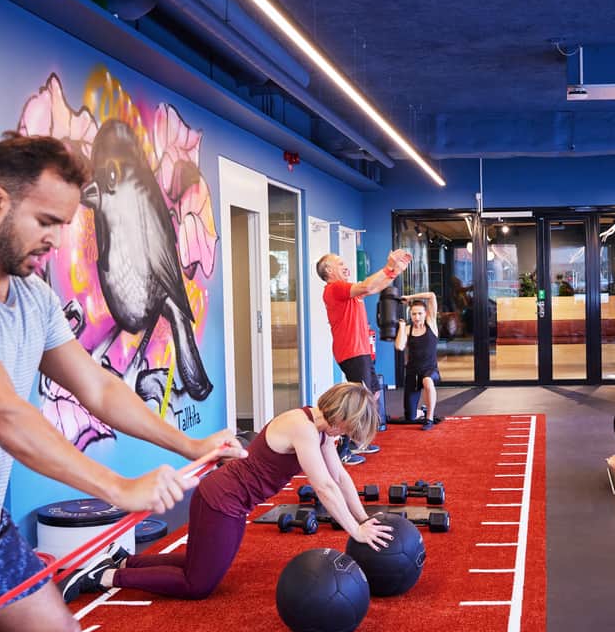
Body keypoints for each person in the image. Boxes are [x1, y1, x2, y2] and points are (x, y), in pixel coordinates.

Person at [0, 133, 245, 632]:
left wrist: (190, 444)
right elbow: (4, 414)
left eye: (62, 225)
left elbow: (99, 387)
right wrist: (117, 488)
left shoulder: (32, 297)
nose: (53, 240)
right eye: (45, 220)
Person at [63, 382, 394, 601]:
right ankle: (105, 576)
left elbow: (339, 476)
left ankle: (125, 561)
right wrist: (354, 531)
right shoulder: (302, 427)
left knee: (201, 561)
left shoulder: (321, 433)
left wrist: (364, 518)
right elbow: (323, 486)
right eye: (350, 429)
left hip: (232, 502)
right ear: (341, 417)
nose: (347, 435)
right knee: (198, 585)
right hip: (221, 500)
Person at [315, 249, 412, 464]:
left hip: (361, 351)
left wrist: (395, 271)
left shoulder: (350, 292)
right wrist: (389, 266)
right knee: (357, 401)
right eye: (340, 263)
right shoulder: (334, 289)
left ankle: (359, 441)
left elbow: (375, 287)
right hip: (351, 352)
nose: (345, 265)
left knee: (373, 394)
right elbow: (368, 285)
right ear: (329, 270)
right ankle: (343, 449)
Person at [394, 292, 440, 429]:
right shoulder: (408, 329)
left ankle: (429, 419)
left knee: (427, 381)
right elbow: (399, 346)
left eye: (420, 313)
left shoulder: (431, 323)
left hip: (430, 370)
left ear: (426, 313)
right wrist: (401, 327)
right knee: (410, 416)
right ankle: (422, 411)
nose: (417, 317)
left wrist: (410, 298)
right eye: (413, 314)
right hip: (412, 373)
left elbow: (432, 295)